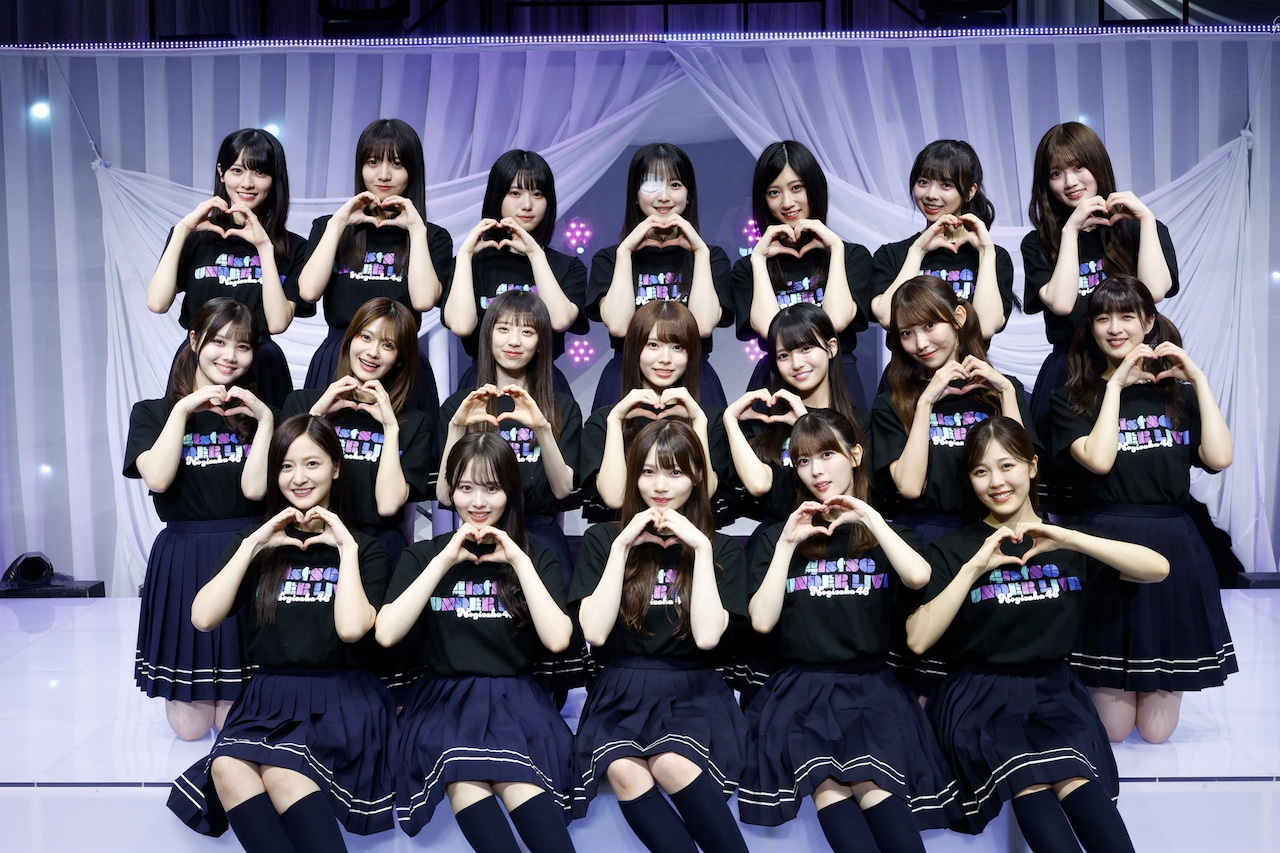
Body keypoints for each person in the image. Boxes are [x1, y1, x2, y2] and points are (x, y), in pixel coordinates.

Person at [906, 416, 1168, 851]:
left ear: (1032, 466)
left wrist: (1070, 538)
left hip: (1055, 694)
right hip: (981, 699)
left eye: (1007, 465)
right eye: (981, 471)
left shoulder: (1065, 542)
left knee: (1081, 788)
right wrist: (974, 567)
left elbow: (1157, 568)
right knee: (1029, 784)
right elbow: (917, 639)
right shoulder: (953, 549)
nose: (996, 482)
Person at [168, 414, 397, 852]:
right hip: (268, 698)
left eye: (312, 464)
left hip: (340, 700)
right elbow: (203, 617)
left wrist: (345, 547)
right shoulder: (258, 543)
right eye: (286, 466)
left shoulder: (365, 548)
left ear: (336, 467)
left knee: (283, 772)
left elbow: (352, 630)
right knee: (226, 767)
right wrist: (253, 544)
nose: (298, 477)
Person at [737, 410, 961, 852]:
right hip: (803, 694)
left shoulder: (887, 534)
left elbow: (918, 577)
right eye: (803, 461)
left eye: (827, 455)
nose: (816, 471)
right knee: (833, 795)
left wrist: (869, 518)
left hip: (871, 691)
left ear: (856, 455)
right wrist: (787, 543)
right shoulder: (775, 537)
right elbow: (762, 621)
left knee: (881, 799)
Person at [1053, 275, 1236, 743]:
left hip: (1172, 542)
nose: (1115, 328)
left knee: (1157, 733)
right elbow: (1099, 460)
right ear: (1091, 327)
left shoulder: (1178, 395)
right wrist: (1115, 387)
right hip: (1106, 543)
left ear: (1149, 322)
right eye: (1103, 318)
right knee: (1114, 732)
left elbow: (1219, 458)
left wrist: (1198, 379)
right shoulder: (1074, 396)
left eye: (1127, 316)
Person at [375, 432, 577, 852]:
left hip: (514, 700)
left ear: (511, 492)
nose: (478, 502)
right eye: (466, 488)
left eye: (491, 488)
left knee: (520, 785)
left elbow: (558, 639)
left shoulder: (537, 557)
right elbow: (387, 632)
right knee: (463, 773)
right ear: (451, 491)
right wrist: (444, 560)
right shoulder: (424, 556)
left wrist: (518, 559)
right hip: (444, 702)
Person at [572, 420, 749, 853]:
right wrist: (621, 547)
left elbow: (708, 638)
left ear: (698, 477)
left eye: (675, 472)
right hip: (620, 689)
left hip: (692, 690)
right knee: (623, 770)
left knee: (671, 762)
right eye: (648, 471)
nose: (660, 486)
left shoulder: (721, 548)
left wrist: (701, 548)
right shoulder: (602, 540)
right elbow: (594, 631)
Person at [124, 298, 273, 740]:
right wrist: (183, 409)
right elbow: (158, 477)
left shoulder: (256, 415)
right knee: (189, 729)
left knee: (234, 725)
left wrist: (266, 421)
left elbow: (255, 491)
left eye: (243, 346)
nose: (230, 356)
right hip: (183, 557)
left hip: (244, 554)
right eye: (219, 342)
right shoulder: (151, 412)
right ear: (194, 340)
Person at [1022, 121, 1178, 441]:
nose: (1070, 182)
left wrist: (1146, 220)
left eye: (1079, 167)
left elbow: (1154, 292)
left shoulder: (1137, 229)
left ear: (1098, 165)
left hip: (1134, 366)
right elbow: (1063, 303)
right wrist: (1071, 230)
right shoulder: (1039, 243)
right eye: (1056, 173)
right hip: (1069, 373)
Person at [298, 118, 453, 418]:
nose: (383, 174)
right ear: (360, 168)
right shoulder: (330, 227)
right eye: (373, 162)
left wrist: (415, 229)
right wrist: (340, 223)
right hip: (338, 358)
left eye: (396, 164)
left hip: (401, 363)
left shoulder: (432, 236)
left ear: (412, 171)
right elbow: (308, 291)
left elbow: (423, 301)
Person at [146, 128, 310, 408]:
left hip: (261, 366)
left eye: (260, 172)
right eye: (237, 170)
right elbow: (157, 303)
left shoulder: (293, 247)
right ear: (221, 172)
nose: (247, 183)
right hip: (200, 363)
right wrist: (183, 230)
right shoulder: (194, 237)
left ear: (275, 179)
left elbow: (277, 323)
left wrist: (264, 247)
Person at [871, 276, 1034, 546]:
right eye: (907, 333)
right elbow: (910, 487)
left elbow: (1023, 471)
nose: (921, 343)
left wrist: (1006, 392)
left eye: (930, 325)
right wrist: (925, 403)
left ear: (958, 317)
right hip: (925, 534)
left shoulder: (1003, 389)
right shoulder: (891, 403)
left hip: (996, 529)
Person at [282, 297, 434, 567]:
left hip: (378, 548)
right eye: (365, 337)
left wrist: (390, 428)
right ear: (350, 339)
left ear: (399, 359)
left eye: (388, 345)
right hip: (309, 543)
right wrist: (316, 416)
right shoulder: (302, 404)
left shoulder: (414, 424)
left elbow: (388, 506)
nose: (373, 352)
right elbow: (284, 481)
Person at [587, 142, 733, 411]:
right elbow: (619, 326)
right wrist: (626, 252)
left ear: (689, 195)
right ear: (635, 194)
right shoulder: (611, 258)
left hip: (694, 379)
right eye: (652, 185)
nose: (663, 196)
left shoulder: (712, 257)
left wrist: (700, 252)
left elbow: (701, 327)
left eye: (675, 185)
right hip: (625, 379)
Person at [733, 140, 873, 408]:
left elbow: (836, 321)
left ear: (815, 187)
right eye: (774, 192)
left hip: (839, 381)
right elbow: (771, 330)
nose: (787, 202)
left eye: (797, 187)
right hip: (776, 384)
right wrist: (759, 259)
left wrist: (835, 249)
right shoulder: (748, 268)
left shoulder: (852, 257)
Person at [443, 149, 588, 393]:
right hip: (482, 382)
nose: (527, 204)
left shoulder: (567, 266)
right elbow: (461, 326)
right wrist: (466, 255)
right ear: (497, 197)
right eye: (515, 193)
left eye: (537, 194)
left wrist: (535, 253)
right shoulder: (472, 263)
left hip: (545, 385)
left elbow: (559, 321)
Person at [579, 300, 729, 518]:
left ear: (692, 354)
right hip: (623, 534)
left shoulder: (710, 419)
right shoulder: (603, 420)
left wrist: (698, 421)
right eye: (653, 345)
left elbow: (703, 494)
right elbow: (615, 498)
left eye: (677, 347)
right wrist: (615, 420)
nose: (665, 359)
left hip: (690, 534)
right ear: (634, 349)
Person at [724, 302, 867, 526]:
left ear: (831, 348)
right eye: (784, 355)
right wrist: (730, 418)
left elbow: (862, 492)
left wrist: (805, 422)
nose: (797, 364)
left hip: (846, 534)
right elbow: (759, 485)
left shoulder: (859, 423)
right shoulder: (767, 423)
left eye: (806, 348)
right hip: (779, 536)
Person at [870, 139, 1014, 341]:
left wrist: (986, 251)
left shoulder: (994, 257)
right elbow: (888, 318)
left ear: (970, 191)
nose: (931, 194)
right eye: (923, 182)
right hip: (908, 363)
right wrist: (918, 251)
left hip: (968, 362)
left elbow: (984, 328)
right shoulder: (891, 255)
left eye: (946, 185)